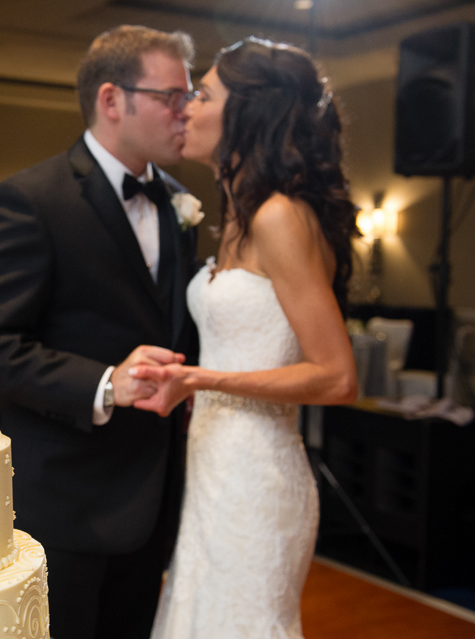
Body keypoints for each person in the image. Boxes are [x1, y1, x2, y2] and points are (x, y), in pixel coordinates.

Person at [0, 25, 199, 639]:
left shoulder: (180, 204)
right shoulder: (31, 199)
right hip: (66, 498)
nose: (188, 110)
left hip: (156, 492)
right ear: (112, 99)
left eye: (191, 95)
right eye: (172, 95)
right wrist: (104, 383)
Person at [132, 38, 359, 638]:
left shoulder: (278, 216)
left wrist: (199, 379)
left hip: (258, 475)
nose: (185, 106)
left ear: (248, 112)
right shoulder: (237, 213)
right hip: (213, 464)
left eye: (201, 94)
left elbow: (337, 376)